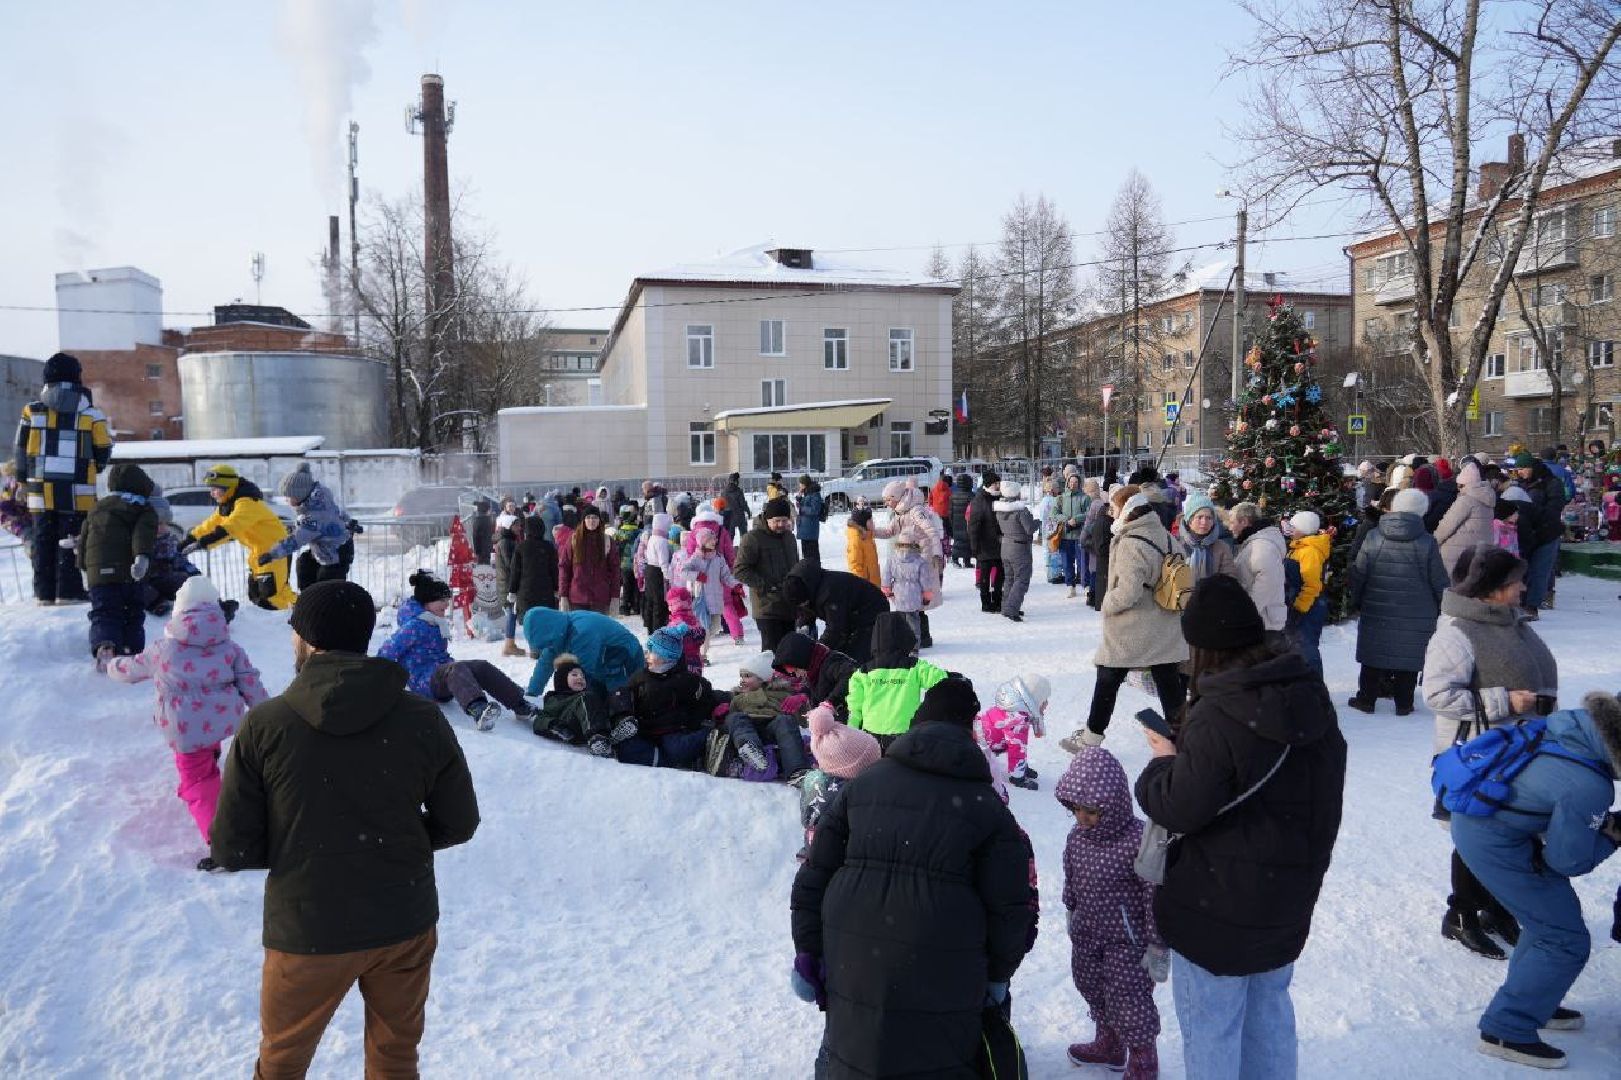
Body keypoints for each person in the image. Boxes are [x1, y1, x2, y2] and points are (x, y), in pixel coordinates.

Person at [209, 580, 479, 1078]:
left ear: (307, 640)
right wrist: (399, 838)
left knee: (281, 1062)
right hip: (403, 919)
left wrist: (302, 843)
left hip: (308, 927)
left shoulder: (266, 725)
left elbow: (231, 846)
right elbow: (459, 822)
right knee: (396, 1059)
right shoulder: (420, 717)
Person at [1135, 575, 1346, 1080]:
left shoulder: (1220, 713)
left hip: (1217, 902)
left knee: (1213, 1027)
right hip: (1288, 892)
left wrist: (1162, 762)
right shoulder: (1307, 694)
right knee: (1269, 1016)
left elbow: (1178, 807)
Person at [789, 676, 1034, 1078]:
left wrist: (808, 949)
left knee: (853, 1051)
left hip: (854, 957)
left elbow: (814, 876)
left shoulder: (862, 786)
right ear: (970, 733)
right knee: (933, 1057)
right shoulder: (987, 808)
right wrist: (998, 975)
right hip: (945, 966)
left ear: (916, 723)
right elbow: (1009, 907)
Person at [1449, 691, 1620, 1068]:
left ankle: (1535, 998)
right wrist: (1612, 835)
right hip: (1493, 841)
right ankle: (1506, 1029)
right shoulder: (1591, 785)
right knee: (1564, 938)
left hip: (1483, 822)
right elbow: (1568, 861)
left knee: (1549, 920)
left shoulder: (1576, 727)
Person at [1422, 545, 1558, 961]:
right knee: (1475, 835)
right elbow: (1437, 694)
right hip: (1480, 756)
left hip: (1518, 752)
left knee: (1514, 833)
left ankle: (1497, 909)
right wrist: (1505, 702)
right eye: (1515, 581)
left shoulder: (1511, 621)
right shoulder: (1456, 633)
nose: (1523, 587)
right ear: (1492, 589)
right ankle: (1461, 915)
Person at [107, 575, 266, 853]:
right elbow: (250, 682)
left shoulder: (163, 650)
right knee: (208, 738)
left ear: (179, 612)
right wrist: (265, 712)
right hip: (222, 719)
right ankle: (210, 764)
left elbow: (131, 670)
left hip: (186, 728)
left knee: (196, 778)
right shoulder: (230, 648)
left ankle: (221, 838)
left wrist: (112, 665)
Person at [1058, 746, 1163, 1078]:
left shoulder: (1137, 839)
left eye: (1091, 811)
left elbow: (1154, 894)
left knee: (1129, 1000)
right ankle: (1110, 1044)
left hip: (1128, 942)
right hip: (1088, 933)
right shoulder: (1077, 839)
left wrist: (1157, 944)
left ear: (1113, 804)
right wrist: (1071, 909)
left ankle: (1143, 1058)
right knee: (1090, 984)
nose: (1082, 817)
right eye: (1076, 809)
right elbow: (1071, 876)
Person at [1067, 491, 1188, 751]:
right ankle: (1184, 739)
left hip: (1132, 628)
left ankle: (1091, 738)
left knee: (1108, 678)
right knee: (1169, 684)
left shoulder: (1130, 542)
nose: (1111, 512)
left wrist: (1107, 604)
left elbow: (1128, 592)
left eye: (1114, 507)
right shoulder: (1166, 536)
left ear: (1127, 509)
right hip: (1165, 623)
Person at [379, 570, 538, 732]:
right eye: (441, 600)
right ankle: (479, 710)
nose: (446, 604)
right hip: (424, 681)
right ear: (427, 602)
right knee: (456, 669)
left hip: (442, 673)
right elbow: (386, 652)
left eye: (446, 600)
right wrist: (387, 681)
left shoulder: (435, 621)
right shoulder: (414, 625)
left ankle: (520, 704)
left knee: (481, 666)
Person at [15, 352, 111, 604]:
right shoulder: (92, 414)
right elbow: (103, 449)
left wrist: (23, 479)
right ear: (77, 378)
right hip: (78, 490)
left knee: (42, 540)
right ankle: (68, 591)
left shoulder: (31, 411)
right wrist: (94, 467)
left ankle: (44, 593)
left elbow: (20, 449)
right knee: (71, 541)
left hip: (40, 489)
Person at [1346, 488, 1448, 715]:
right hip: (1417, 610)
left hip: (1377, 604)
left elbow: (1360, 572)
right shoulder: (1427, 542)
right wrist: (1444, 605)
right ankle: (1404, 703)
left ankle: (1366, 699)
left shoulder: (1374, 536)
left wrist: (1357, 599)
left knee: (1373, 652)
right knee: (1409, 654)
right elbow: (1438, 579)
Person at [182, 464, 295, 610]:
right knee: (256, 596)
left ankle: (305, 613)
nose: (212, 494)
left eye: (215, 489)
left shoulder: (247, 504)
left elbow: (229, 529)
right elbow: (210, 525)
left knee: (273, 597)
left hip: (275, 552)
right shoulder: (229, 505)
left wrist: (201, 544)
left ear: (227, 487)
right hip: (258, 553)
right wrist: (189, 539)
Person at [78, 462, 159, 666]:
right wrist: (141, 557)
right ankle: (131, 652)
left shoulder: (97, 508)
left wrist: (84, 569)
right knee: (132, 612)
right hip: (129, 572)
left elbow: (84, 540)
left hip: (98, 575)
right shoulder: (142, 508)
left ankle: (105, 645)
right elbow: (143, 534)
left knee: (104, 612)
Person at [611, 623, 717, 768]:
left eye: (652, 652)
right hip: (644, 729)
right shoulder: (641, 676)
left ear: (666, 657)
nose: (647, 655)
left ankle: (709, 736)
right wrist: (625, 712)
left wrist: (695, 722)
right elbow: (627, 693)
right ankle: (624, 722)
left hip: (671, 732)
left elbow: (705, 696)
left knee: (677, 749)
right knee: (625, 748)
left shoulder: (684, 680)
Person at [844, 611, 948, 752]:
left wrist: (851, 735)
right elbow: (941, 680)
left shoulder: (863, 673)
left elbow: (854, 709)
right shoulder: (915, 667)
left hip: (872, 737)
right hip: (905, 735)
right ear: (906, 638)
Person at [796, 702, 882, 859]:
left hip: (817, 847)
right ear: (852, 770)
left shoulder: (820, 783)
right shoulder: (846, 798)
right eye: (872, 764)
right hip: (834, 857)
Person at [872, 479, 944, 647]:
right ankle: (919, 637)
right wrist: (871, 532)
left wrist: (936, 554)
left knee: (920, 597)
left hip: (923, 556)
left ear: (896, 497)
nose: (886, 503)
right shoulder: (900, 511)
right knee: (913, 599)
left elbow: (932, 532)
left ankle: (922, 637)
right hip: (909, 554)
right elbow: (889, 531)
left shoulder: (916, 510)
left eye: (888, 500)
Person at [780, 557, 889, 665]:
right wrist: (802, 633)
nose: (803, 607)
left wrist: (816, 654)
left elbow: (835, 630)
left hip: (871, 612)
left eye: (803, 603)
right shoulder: (808, 584)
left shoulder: (829, 592)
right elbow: (805, 616)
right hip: (849, 613)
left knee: (854, 657)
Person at [265, 463, 356, 591]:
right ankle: (307, 598)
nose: (286, 500)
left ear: (299, 496)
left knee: (326, 589)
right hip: (327, 549)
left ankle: (321, 601)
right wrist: (349, 522)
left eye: (288, 497)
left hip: (335, 555)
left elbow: (296, 540)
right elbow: (337, 512)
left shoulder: (314, 515)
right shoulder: (321, 500)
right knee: (304, 563)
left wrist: (271, 554)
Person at [722, 650, 812, 778]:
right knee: (735, 718)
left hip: (773, 731)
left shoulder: (783, 694)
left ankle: (797, 771)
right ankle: (751, 750)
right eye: (741, 676)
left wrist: (802, 703)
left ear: (763, 678)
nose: (742, 680)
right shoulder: (738, 697)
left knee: (785, 720)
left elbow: (803, 721)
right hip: (748, 731)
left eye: (747, 676)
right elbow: (733, 724)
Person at [522, 604, 645, 696]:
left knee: (619, 696)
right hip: (604, 661)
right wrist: (532, 694)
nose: (546, 648)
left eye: (546, 643)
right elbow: (545, 664)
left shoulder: (581, 632)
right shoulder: (559, 631)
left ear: (549, 633)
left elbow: (586, 674)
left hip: (626, 658)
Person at [733, 497, 800, 654]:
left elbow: (796, 566)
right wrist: (767, 585)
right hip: (767, 606)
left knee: (789, 652)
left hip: (789, 605)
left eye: (784, 520)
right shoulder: (753, 538)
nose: (781, 524)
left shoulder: (789, 537)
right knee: (771, 653)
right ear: (767, 519)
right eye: (777, 521)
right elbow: (740, 570)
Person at [533, 653, 632, 756]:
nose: (580, 678)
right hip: (572, 727)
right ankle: (597, 739)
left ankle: (621, 725)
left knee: (618, 693)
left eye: (582, 676)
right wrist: (553, 725)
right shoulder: (555, 699)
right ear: (562, 679)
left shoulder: (587, 697)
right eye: (574, 675)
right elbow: (540, 719)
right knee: (587, 697)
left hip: (595, 723)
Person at [1511, 451, 1566, 615]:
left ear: (1531, 467)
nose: (1519, 472)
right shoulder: (1521, 484)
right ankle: (1521, 602)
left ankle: (1532, 606)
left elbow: (1554, 509)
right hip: (1526, 532)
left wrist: (1528, 509)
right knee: (1524, 569)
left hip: (1547, 532)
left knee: (1539, 571)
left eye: (1522, 469)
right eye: (1517, 469)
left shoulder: (1552, 483)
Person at [681, 518, 739, 663]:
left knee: (714, 627)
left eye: (714, 539)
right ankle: (702, 656)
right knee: (705, 629)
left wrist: (736, 584)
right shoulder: (696, 558)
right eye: (711, 540)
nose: (714, 541)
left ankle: (697, 648)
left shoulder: (719, 558)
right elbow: (683, 571)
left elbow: (726, 576)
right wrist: (697, 575)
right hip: (702, 599)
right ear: (703, 542)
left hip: (716, 598)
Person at [978, 674, 1049, 791]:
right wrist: (1018, 776)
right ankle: (1017, 773)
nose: (1046, 704)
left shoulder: (1013, 707)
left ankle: (1020, 768)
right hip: (978, 747)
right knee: (1017, 746)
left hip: (980, 737)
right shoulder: (1018, 719)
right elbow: (1017, 748)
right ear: (1034, 698)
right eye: (1044, 700)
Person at [772, 631, 861, 720]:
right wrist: (805, 695)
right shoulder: (812, 670)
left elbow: (851, 675)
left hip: (855, 718)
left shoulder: (831, 662)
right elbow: (820, 691)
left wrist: (830, 703)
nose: (797, 675)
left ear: (802, 659)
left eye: (796, 670)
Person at [1284, 510, 1331, 676]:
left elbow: (1312, 585)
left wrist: (1299, 608)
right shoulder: (1298, 547)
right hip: (1299, 603)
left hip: (1308, 607)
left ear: (1303, 530)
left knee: (1306, 648)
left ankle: (1314, 684)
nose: (1290, 530)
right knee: (1296, 647)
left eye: (1293, 527)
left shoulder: (1309, 551)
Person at [1433, 460, 1495, 577]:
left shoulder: (1466, 500)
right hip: (1480, 552)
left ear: (1465, 485)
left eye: (1460, 486)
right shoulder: (1488, 499)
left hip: (1458, 554)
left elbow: (1447, 525)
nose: (1458, 489)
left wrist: (1434, 542)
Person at [508, 511, 560, 639]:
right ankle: (544, 645)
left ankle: (533, 646)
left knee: (530, 624)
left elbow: (515, 571)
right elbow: (554, 570)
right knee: (545, 623)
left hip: (526, 592)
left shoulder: (521, 547)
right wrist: (556, 588)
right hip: (545, 591)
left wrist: (512, 591)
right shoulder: (548, 547)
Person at [558, 503, 618, 614]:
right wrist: (563, 595)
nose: (591, 521)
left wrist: (615, 596)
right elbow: (564, 568)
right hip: (577, 598)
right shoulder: (574, 540)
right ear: (583, 521)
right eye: (588, 518)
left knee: (598, 626)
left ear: (599, 521)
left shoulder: (607, 541)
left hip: (600, 598)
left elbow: (615, 570)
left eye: (595, 518)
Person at [993, 479, 1036, 622]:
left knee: (1009, 578)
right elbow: (1029, 529)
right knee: (1022, 579)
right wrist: (1037, 522)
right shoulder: (1021, 511)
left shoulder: (999, 510)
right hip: (1019, 548)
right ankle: (1012, 609)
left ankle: (1006, 606)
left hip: (1005, 547)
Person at [1176, 492, 1235, 583]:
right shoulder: (1176, 545)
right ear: (1189, 520)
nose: (1204, 522)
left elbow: (1229, 580)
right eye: (1199, 517)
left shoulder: (1222, 548)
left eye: (1209, 518)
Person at [967, 470, 1004, 613]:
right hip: (984, 545)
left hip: (999, 544)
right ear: (988, 484)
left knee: (1000, 575)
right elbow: (973, 526)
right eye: (995, 483)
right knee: (985, 577)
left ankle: (998, 601)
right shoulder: (979, 500)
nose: (998, 485)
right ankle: (986, 603)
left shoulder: (1000, 497)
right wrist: (974, 547)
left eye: (998, 482)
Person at [1083, 482, 1117, 610]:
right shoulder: (1101, 504)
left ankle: (1093, 596)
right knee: (1097, 572)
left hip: (1095, 543)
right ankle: (1094, 596)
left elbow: (1089, 525)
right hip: (1099, 544)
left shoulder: (1096, 504)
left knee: (1095, 571)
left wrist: (1085, 539)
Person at [1055, 472, 1089, 598]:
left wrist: (1077, 519)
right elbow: (1054, 513)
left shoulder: (1085, 498)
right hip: (1065, 535)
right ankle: (1070, 586)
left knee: (1082, 563)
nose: (1073, 484)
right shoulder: (1061, 498)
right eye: (1071, 482)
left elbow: (1089, 513)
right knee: (1067, 563)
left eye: (1076, 482)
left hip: (1080, 535)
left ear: (1079, 484)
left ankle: (1086, 585)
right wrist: (1067, 519)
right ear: (1067, 483)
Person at [494, 513, 524, 656]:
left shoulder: (509, 541)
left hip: (507, 582)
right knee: (511, 613)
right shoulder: (506, 542)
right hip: (508, 584)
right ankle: (509, 644)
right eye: (516, 525)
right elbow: (511, 564)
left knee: (512, 613)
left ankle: (510, 643)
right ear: (508, 526)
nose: (519, 528)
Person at [613, 505, 643, 617]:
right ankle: (636, 606)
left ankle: (625, 607)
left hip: (624, 564)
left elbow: (616, 548)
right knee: (636, 586)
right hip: (636, 563)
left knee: (626, 585)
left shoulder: (619, 533)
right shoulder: (639, 532)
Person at [844, 506, 880, 587]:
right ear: (863, 523)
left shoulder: (868, 537)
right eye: (870, 520)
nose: (873, 522)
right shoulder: (856, 540)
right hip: (865, 586)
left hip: (873, 584)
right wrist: (861, 586)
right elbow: (855, 566)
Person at [947, 472, 975, 569]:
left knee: (957, 541)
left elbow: (950, 511)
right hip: (967, 522)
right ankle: (967, 561)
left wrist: (952, 522)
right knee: (967, 542)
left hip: (956, 522)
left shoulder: (953, 496)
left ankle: (955, 559)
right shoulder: (972, 496)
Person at [795, 475, 825, 562]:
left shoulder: (814, 494)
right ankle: (808, 568)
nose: (799, 485)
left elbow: (814, 510)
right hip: (805, 528)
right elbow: (805, 503)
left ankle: (814, 568)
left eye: (800, 483)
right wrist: (799, 497)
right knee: (806, 554)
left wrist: (802, 508)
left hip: (810, 528)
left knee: (812, 553)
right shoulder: (807, 493)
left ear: (804, 484)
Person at [721, 472, 748, 543]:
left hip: (728, 516)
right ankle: (744, 546)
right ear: (736, 481)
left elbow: (721, 504)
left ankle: (729, 548)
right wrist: (747, 510)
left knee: (730, 536)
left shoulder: (724, 491)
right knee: (744, 534)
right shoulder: (738, 491)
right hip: (739, 515)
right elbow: (742, 503)